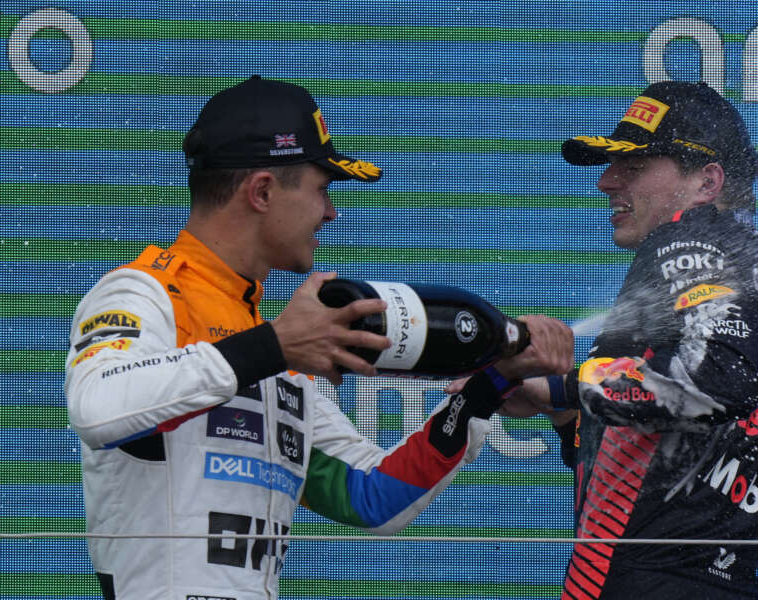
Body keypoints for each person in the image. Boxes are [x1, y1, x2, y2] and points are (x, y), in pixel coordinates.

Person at [64, 75, 574, 600]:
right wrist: (274, 347)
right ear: (262, 191)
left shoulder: (272, 338)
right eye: (322, 189)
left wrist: (485, 390)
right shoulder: (143, 292)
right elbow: (98, 408)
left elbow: (371, 496)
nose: (330, 212)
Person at [494, 81, 758, 599]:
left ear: (707, 182)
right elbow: (665, 459)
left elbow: (710, 386)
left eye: (634, 167)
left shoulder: (686, 237)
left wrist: (572, 381)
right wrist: (560, 407)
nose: (607, 181)